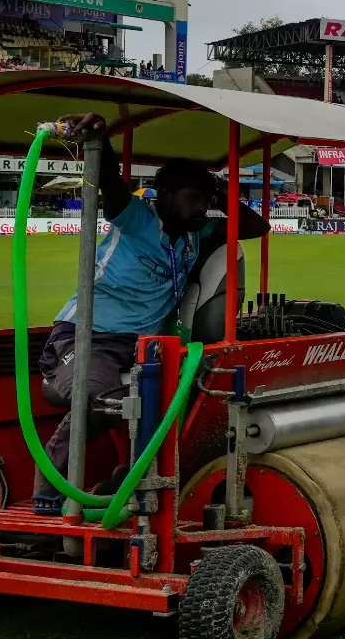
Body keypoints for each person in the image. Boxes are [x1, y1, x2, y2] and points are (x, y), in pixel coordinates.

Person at [32, 113, 268, 510]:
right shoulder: (137, 218)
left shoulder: (196, 234)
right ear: (165, 196)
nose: (202, 208)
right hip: (88, 336)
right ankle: (48, 495)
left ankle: (128, 481)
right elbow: (110, 183)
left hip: (145, 347)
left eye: (206, 201)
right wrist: (100, 138)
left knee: (179, 400)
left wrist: (222, 191)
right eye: (193, 198)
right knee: (98, 398)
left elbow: (256, 227)